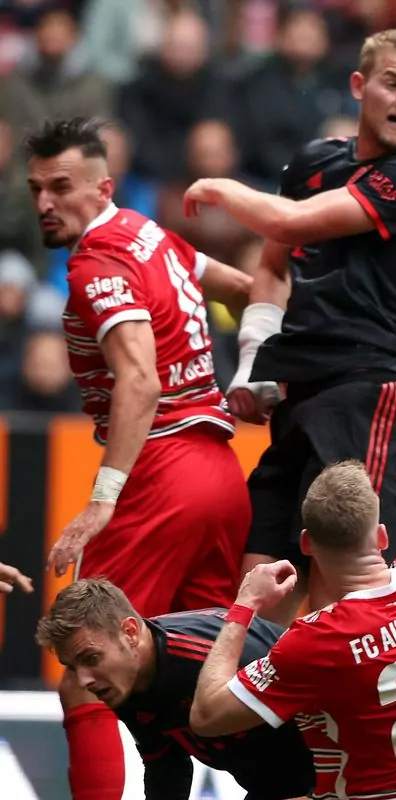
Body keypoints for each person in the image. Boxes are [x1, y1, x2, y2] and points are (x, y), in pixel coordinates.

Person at [181, 28, 396, 622]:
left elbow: (293, 224)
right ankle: (262, 716)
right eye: (393, 84)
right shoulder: (313, 162)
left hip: (369, 392)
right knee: (258, 593)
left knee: (338, 603)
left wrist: (226, 188)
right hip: (301, 394)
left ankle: (341, 717)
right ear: (360, 85)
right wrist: (254, 363)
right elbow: (274, 263)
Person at [25, 116, 253, 800]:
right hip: (220, 470)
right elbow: (248, 289)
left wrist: (102, 500)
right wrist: (258, 368)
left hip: (162, 475)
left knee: (86, 675)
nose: (44, 203)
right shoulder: (160, 239)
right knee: (190, 686)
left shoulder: (97, 262)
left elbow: (141, 380)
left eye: (60, 186)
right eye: (35, 188)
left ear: (102, 185)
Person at [188, 460, 396, 800]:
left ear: (305, 544)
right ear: (381, 536)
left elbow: (206, 715)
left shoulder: (315, 643)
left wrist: (244, 605)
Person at [35, 579, 316, 800]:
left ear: (130, 632)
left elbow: (327, 708)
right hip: (275, 784)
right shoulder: (124, 679)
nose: (83, 680)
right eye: (72, 666)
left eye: (90, 659)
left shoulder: (213, 656)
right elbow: (166, 769)